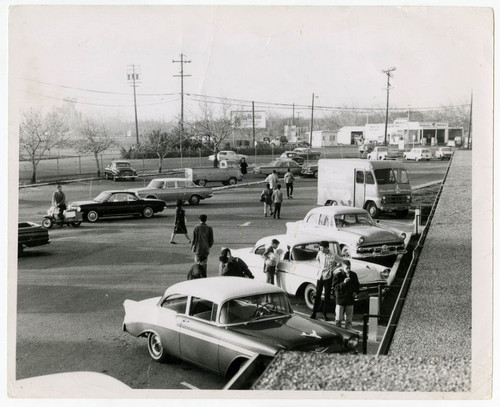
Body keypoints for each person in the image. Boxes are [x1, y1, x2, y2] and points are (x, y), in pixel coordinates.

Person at [310, 241, 344, 321]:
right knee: (317, 295)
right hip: (320, 276)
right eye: (320, 248)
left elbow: (341, 262)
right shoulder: (320, 253)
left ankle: (325, 314)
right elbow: (317, 259)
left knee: (327, 296)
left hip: (328, 276)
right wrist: (320, 267)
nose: (321, 250)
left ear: (327, 247)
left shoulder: (333, 255)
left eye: (322, 248)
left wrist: (333, 269)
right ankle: (314, 313)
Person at [333, 260, 360, 329]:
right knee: (339, 319)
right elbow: (335, 287)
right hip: (340, 299)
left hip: (350, 299)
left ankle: (348, 332)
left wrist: (355, 292)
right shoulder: (338, 275)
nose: (348, 270)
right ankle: (338, 331)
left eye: (349, 268)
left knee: (349, 320)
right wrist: (343, 283)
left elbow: (357, 285)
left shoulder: (353, 275)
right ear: (342, 268)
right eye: (346, 268)